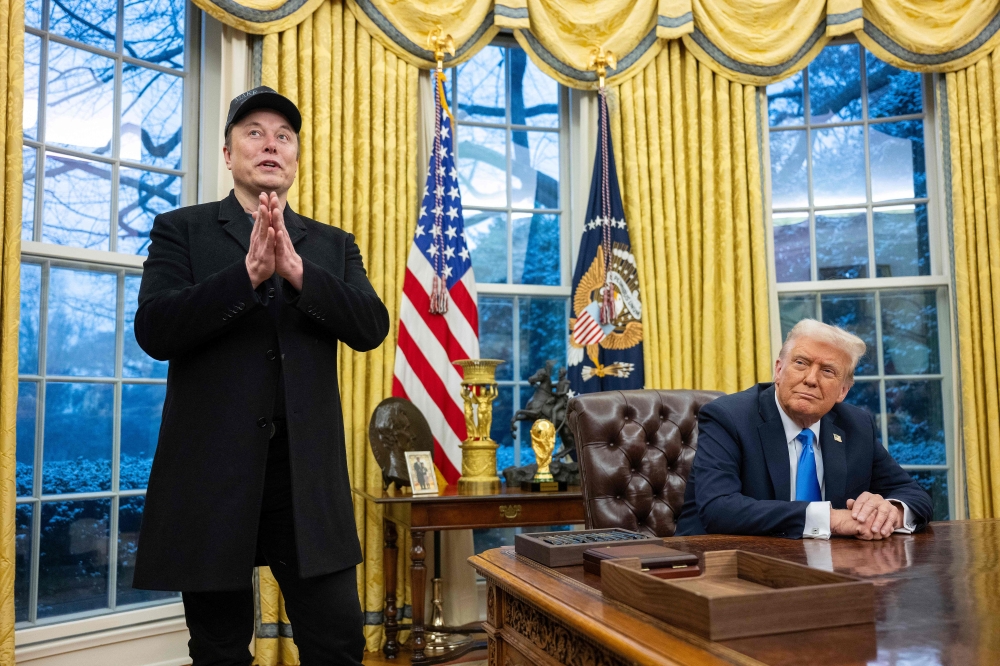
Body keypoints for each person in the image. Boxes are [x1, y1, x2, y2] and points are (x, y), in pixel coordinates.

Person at [132, 87, 389, 666]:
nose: (270, 143)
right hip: (211, 476)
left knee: (338, 642)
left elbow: (371, 326)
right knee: (220, 650)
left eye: (284, 135)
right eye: (254, 132)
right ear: (227, 154)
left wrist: (298, 273)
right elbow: (154, 330)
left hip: (304, 478)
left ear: (295, 157)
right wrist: (245, 276)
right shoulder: (181, 231)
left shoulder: (332, 244)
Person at [676, 319, 932, 540]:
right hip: (721, 566)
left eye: (828, 371)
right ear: (779, 370)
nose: (810, 379)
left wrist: (890, 513)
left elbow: (914, 495)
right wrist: (831, 519)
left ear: (843, 390)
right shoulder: (729, 417)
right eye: (801, 363)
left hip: (827, 568)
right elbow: (719, 509)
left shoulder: (856, 425)